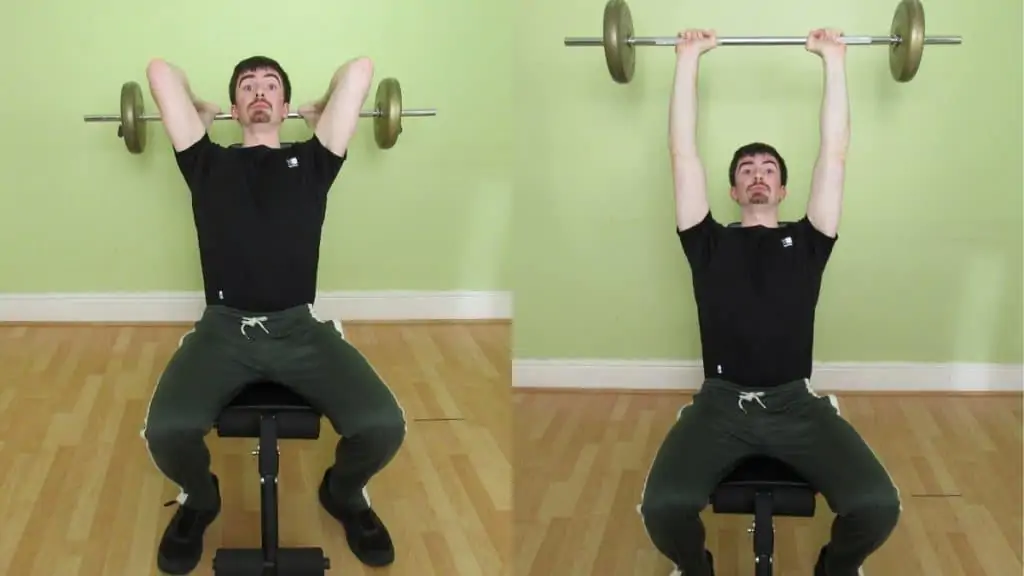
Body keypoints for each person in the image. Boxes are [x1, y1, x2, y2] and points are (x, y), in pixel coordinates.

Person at [637, 29, 901, 576]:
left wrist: (834, 59)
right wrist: (688, 59)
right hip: (719, 404)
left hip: (794, 404)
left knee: (878, 507)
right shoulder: (705, 241)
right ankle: (694, 567)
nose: (758, 176)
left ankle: (837, 568)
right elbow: (682, 152)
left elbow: (836, 152)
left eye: (769, 170)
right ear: (732, 190)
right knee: (663, 509)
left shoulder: (810, 240)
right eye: (746, 170)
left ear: (783, 189)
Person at [138, 55, 407, 575]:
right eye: (247, 87)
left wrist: (324, 109)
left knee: (382, 425)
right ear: (236, 108)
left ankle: (344, 493)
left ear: (283, 106)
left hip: (297, 328)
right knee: (166, 430)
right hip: (223, 330)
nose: (258, 93)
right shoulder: (204, 162)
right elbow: (159, 72)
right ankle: (199, 498)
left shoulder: (315, 161)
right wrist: (200, 107)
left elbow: (360, 70)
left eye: (270, 87)